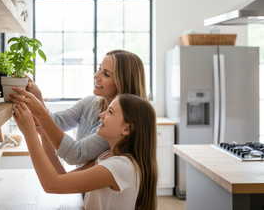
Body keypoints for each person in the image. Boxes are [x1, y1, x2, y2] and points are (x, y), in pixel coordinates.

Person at [13, 94, 158, 210]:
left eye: (110, 112)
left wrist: (29, 134)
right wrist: (43, 135)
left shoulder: (121, 167)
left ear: (126, 129)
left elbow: (52, 184)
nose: (102, 114)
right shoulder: (106, 157)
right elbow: (60, 177)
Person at [8, 49, 147, 165]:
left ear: (123, 83)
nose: (96, 75)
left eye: (106, 74)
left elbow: (76, 154)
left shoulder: (116, 128)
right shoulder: (90, 103)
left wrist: (37, 119)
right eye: (99, 68)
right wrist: (38, 96)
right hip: (83, 193)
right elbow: (55, 122)